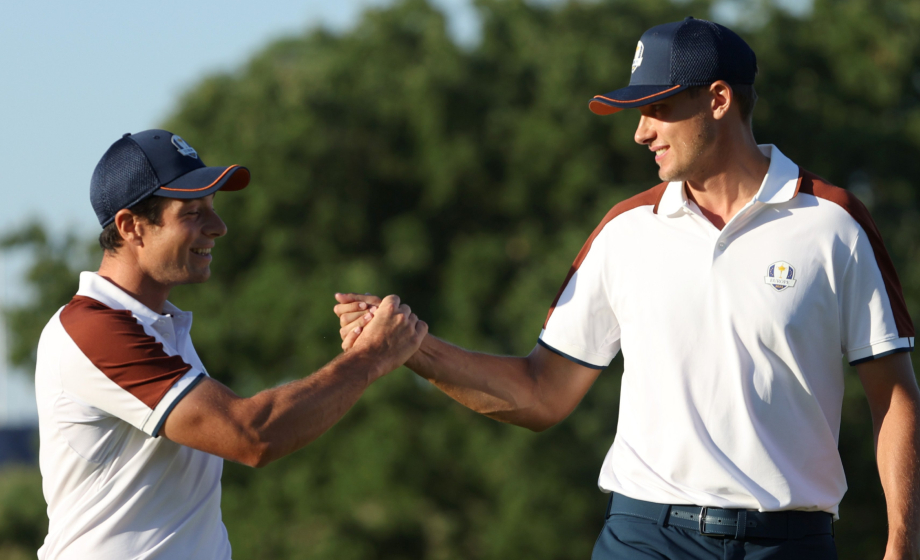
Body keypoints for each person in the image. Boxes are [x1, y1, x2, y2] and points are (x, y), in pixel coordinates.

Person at [334, 17, 920, 560]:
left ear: (718, 100)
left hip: (792, 542)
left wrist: (903, 545)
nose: (640, 132)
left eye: (657, 108)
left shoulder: (834, 223)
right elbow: (543, 393)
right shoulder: (624, 232)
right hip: (646, 537)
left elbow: (893, 396)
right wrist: (411, 347)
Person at [34, 129, 427, 559]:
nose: (218, 227)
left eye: (212, 208)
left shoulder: (156, 325)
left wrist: (366, 355)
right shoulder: (94, 329)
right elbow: (252, 435)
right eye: (192, 213)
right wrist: (370, 357)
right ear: (131, 227)